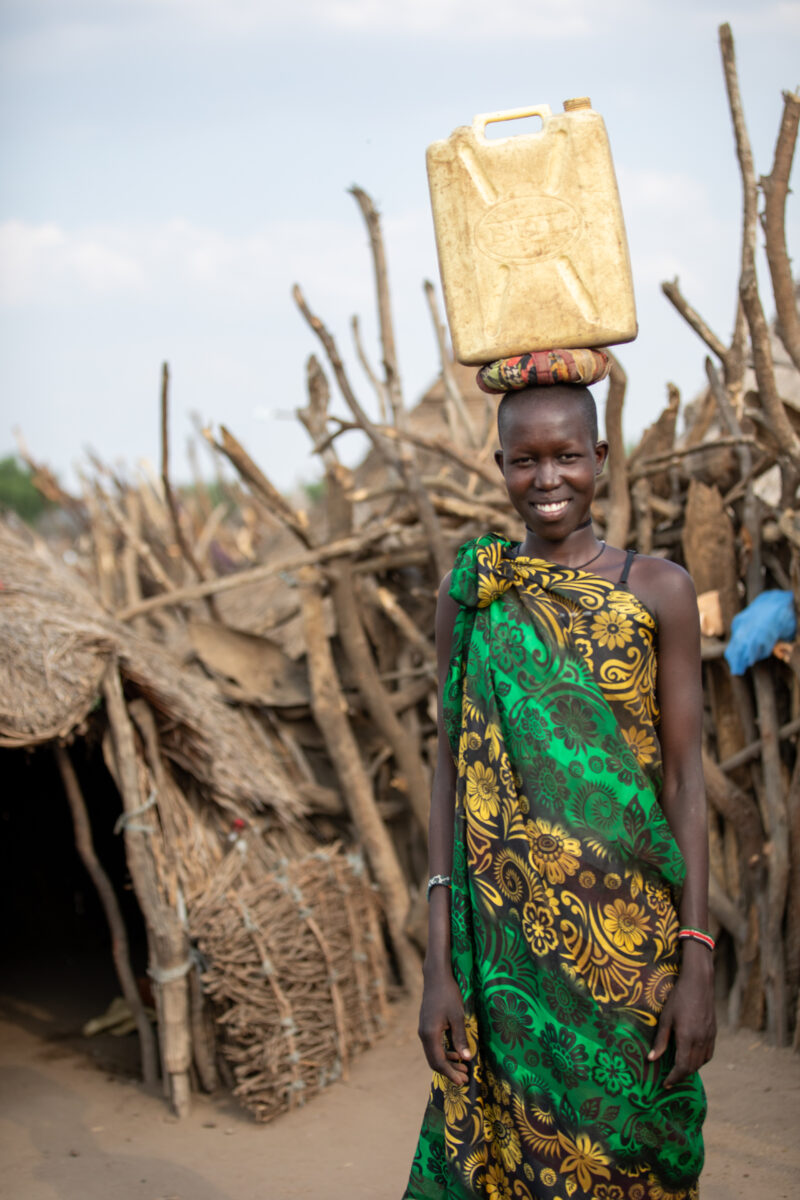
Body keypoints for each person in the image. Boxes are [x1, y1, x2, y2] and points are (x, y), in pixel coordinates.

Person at [403, 381, 715, 1200]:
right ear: (499, 465)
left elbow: (685, 782)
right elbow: (450, 772)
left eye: (568, 456)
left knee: (640, 1157)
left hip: (636, 951)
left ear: (601, 458)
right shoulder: (475, 596)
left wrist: (698, 960)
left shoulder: (659, 590)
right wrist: (441, 962)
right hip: (511, 961)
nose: (548, 479)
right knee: (525, 1164)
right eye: (526, 460)